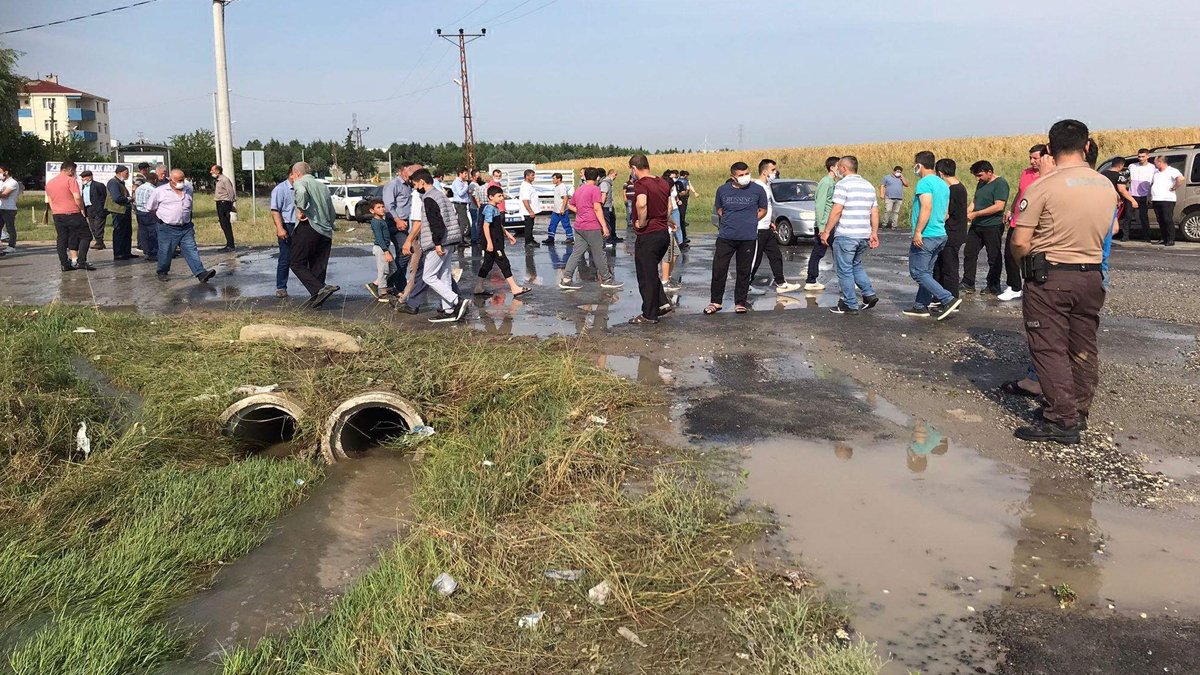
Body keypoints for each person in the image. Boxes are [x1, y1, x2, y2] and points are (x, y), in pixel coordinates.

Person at [1010, 119, 1115, 444]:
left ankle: (1061, 418)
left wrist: (1026, 265)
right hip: (1091, 275)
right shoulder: (1105, 185)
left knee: (1049, 346)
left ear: (1049, 148)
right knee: (1082, 345)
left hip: (1051, 275)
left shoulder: (1044, 186)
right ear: (1087, 146)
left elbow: (1020, 241)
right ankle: (1078, 412)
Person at [903, 151, 961, 320]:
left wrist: (918, 231)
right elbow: (945, 212)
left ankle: (947, 299)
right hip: (940, 234)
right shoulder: (943, 184)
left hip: (927, 235)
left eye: (914, 164)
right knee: (926, 272)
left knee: (918, 272)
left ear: (919, 165)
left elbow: (926, 206)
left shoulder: (924, 183)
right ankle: (920, 306)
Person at [705, 162, 768, 316]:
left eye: (746, 173)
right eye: (741, 175)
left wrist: (750, 221)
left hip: (748, 237)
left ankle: (740, 302)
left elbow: (763, 210)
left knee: (744, 270)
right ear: (733, 177)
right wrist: (731, 220)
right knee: (719, 269)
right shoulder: (722, 190)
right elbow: (719, 210)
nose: (745, 177)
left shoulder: (758, 190)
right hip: (726, 236)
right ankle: (715, 302)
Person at [821, 156, 879, 314]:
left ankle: (850, 304)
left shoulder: (842, 185)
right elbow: (874, 211)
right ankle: (869, 294)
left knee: (844, 270)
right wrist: (874, 233)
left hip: (846, 234)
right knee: (856, 265)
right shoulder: (868, 185)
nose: (838, 170)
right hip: (863, 234)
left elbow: (837, 210)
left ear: (844, 168)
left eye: (839, 167)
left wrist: (827, 231)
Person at [410, 168, 469, 323]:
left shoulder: (429, 198)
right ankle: (449, 310)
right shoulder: (440, 195)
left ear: (422, 182)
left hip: (439, 242)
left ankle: (456, 300)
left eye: (415, 185)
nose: (415, 188)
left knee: (428, 276)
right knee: (444, 276)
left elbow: (436, 223)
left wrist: (437, 243)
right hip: (449, 240)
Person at [146, 169, 216, 284]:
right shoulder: (160, 191)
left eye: (183, 179)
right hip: (167, 227)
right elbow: (150, 208)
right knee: (166, 251)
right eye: (179, 180)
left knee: (191, 249)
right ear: (171, 180)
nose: (182, 182)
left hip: (186, 227)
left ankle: (200, 273)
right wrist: (160, 221)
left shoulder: (188, 190)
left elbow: (190, 207)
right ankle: (162, 271)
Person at [628, 154, 672, 324]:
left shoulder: (641, 184)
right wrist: (664, 219)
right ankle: (661, 303)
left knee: (645, 276)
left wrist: (641, 222)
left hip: (648, 235)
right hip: (663, 233)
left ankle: (649, 314)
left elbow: (641, 204)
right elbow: (669, 206)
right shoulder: (662, 182)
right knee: (651, 271)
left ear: (634, 168)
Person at [289, 162, 340, 308]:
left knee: (296, 262)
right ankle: (317, 298)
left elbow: (301, 192)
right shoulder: (323, 186)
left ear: (297, 173)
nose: (292, 178)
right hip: (325, 230)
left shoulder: (300, 182)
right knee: (318, 265)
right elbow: (331, 211)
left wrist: (300, 209)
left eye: (293, 175)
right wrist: (330, 224)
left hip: (309, 226)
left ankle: (319, 289)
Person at [561, 167, 621, 290]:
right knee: (599, 253)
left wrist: (581, 211)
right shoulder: (595, 189)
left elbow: (570, 205)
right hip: (592, 226)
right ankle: (606, 279)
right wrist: (604, 226)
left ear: (585, 176)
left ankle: (566, 278)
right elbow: (597, 208)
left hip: (579, 226)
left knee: (577, 253)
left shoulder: (579, 189)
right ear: (597, 177)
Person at [750, 159, 801, 294]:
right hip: (758, 230)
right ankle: (746, 285)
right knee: (755, 259)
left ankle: (780, 283)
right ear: (764, 171)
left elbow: (767, 207)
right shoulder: (757, 187)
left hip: (767, 229)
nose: (775, 172)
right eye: (772, 170)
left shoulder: (766, 186)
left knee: (776, 256)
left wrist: (770, 222)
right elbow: (755, 208)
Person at [960, 160, 1010, 297]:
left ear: (990, 172)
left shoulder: (1000, 184)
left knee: (993, 256)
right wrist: (967, 212)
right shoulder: (981, 183)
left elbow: (999, 206)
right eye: (976, 176)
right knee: (969, 252)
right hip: (977, 225)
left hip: (992, 225)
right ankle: (968, 282)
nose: (978, 179)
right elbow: (975, 201)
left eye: (980, 175)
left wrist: (976, 214)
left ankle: (993, 285)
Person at [1005, 145, 1048, 301]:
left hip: (1034, 221)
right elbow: (1020, 192)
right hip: (1017, 219)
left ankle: (1034, 287)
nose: (1032, 161)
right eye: (1030, 158)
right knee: (1010, 253)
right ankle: (1014, 286)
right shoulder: (1025, 172)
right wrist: (1011, 210)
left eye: (1035, 158)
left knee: (1033, 255)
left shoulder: (1048, 176)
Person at [474, 185, 532, 298]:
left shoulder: (495, 208)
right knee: (504, 263)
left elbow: (498, 225)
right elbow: (486, 226)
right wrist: (489, 243)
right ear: (491, 197)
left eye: (502, 195)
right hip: (494, 242)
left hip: (496, 240)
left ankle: (478, 287)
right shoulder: (489, 209)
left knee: (487, 264)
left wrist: (508, 234)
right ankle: (514, 288)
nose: (502, 198)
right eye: (499, 196)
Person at [46, 161, 92, 272]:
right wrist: (82, 209)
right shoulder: (70, 180)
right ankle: (81, 261)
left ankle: (64, 264)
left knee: (62, 239)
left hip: (57, 214)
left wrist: (55, 211)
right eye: (74, 171)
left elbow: (50, 200)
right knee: (86, 236)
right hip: (73, 213)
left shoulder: (50, 183)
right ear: (71, 170)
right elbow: (77, 197)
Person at [934, 158, 967, 300]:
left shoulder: (953, 190)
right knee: (940, 265)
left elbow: (945, 213)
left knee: (949, 267)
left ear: (940, 173)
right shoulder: (960, 187)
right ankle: (939, 296)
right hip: (955, 232)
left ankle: (951, 298)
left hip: (952, 233)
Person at [382, 162, 418, 295]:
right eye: (410, 172)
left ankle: (397, 284)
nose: (411, 176)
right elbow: (388, 205)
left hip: (407, 224)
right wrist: (397, 220)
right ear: (403, 171)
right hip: (395, 223)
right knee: (405, 252)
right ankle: (391, 283)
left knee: (405, 253)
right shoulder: (394, 184)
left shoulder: (409, 186)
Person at [805, 156, 840, 291]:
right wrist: (821, 227)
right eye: (838, 166)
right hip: (825, 225)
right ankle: (811, 280)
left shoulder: (832, 182)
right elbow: (820, 205)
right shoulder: (826, 182)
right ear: (832, 168)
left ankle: (811, 279)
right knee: (821, 252)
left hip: (829, 223)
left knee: (823, 251)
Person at [269, 173, 296, 298]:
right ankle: (281, 287)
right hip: (287, 225)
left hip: (301, 225)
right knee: (285, 257)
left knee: (305, 257)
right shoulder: (280, 189)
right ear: (292, 174)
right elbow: (275, 210)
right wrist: (280, 228)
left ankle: (315, 287)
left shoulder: (302, 188)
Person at [364, 199, 396, 302]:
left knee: (393, 268)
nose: (382, 209)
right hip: (381, 248)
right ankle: (383, 293)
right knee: (383, 270)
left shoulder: (382, 220)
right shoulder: (376, 222)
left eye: (382, 206)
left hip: (385, 248)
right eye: (378, 207)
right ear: (372, 210)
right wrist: (386, 252)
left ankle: (375, 284)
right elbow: (379, 238)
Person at [1101, 156, 1137, 242]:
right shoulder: (1120, 176)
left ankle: (1103, 240)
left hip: (1101, 201)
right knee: (1114, 228)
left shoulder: (1102, 174)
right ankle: (1103, 241)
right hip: (1112, 203)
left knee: (1106, 224)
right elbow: (1122, 190)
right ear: (1121, 166)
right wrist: (1133, 200)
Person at [1150, 155, 1184, 246]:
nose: (1155, 164)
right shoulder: (1156, 172)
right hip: (1156, 198)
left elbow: (1181, 178)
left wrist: (1174, 187)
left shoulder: (1172, 170)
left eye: (1155, 162)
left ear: (1160, 162)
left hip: (1167, 199)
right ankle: (1163, 238)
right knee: (1160, 220)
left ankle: (1170, 239)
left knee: (1167, 219)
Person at [106, 166, 136, 260]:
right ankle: (118, 253)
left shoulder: (120, 182)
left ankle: (126, 252)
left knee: (127, 232)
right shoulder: (113, 182)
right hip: (118, 210)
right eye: (126, 173)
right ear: (120, 172)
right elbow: (116, 197)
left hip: (124, 210)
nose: (128, 175)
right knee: (119, 232)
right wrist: (128, 199)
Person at [1127, 148, 1155, 240]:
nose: (1141, 158)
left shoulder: (1152, 168)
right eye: (1139, 156)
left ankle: (1147, 236)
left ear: (1147, 157)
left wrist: (1149, 196)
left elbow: (1153, 182)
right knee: (1128, 216)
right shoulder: (1132, 166)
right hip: (1132, 195)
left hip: (1144, 195)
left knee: (1143, 217)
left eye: (1143, 157)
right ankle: (1125, 236)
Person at [211, 165, 237, 251]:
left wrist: (231, 205)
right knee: (223, 224)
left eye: (212, 170)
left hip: (224, 203)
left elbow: (231, 192)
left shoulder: (224, 180)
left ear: (218, 171)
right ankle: (228, 244)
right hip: (220, 203)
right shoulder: (218, 180)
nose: (211, 172)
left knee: (226, 224)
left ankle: (231, 245)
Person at [81, 170, 108, 250]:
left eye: (84, 177)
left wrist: (103, 209)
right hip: (89, 208)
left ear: (90, 177)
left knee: (98, 226)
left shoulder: (98, 185)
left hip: (98, 209)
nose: (83, 179)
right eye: (82, 177)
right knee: (92, 226)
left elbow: (104, 197)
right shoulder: (84, 186)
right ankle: (99, 241)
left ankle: (99, 242)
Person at [544, 172, 573, 244]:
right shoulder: (557, 186)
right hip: (556, 210)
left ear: (559, 179)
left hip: (561, 210)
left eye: (554, 178)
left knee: (566, 224)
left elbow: (565, 198)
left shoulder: (562, 187)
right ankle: (550, 238)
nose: (552, 180)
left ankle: (570, 238)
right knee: (552, 224)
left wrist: (563, 208)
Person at [133, 174, 157, 262]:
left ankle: (146, 251)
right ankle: (153, 252)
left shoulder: (139, 188)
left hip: (139, 212)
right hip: (149, 212)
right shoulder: (153, 190)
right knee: (152, 233)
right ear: (154, 180)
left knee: (143, 232)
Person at [0, 164, 22, 253]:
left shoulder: (13, 182)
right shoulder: (1, 182)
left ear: (6, 172)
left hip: (9, 209)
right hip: (1, 207)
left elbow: (5, 195)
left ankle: (11, 246)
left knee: (10, 228)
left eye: (0, 172)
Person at [450, 167, 473, 247]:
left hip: (462, 204)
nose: (466, 175)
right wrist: (466, 186)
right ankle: (461, 240)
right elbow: (460, 193)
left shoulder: (462, 182)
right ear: (460, 173)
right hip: (460, 204)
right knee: (464, 222)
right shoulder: (457, 182)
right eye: (465, 173)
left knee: (462, 222)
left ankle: (461, 240)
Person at [598, 168, 622, 245]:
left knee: (612, 221)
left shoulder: (609, 182)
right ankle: (608, 238)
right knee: (607, 222)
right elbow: (603, 195)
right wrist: (601, 205)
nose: (616, 177)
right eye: (615, 175)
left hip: (610, 205)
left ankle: (613, 236)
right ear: (611, 174)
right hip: (606, 206)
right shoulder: (605, 183)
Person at [518, 168, 541, 248]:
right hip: (527, 212)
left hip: (530, 211)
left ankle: (531, 239)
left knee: (531, 226)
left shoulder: (529, 185)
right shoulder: (525, 186)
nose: (534, 177)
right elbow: (525, 200)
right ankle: (528, 242)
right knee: (528, 227)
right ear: (527, 176)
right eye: (532, 175)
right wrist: (530, 211)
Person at [676, 170, 696, 245]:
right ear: (685, 175)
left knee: (678, 216)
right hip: (684, 199)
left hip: (677, 200)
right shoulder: (685, 181)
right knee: (682, 218)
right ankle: (683, 237)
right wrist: (687, 192)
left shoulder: (676, 181)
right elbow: (687, 189)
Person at [470, 170, 487, 246]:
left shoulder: (477, 184)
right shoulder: (472, 185)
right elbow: (474, 197)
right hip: (474, 207)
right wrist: (478, 205)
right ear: (473, 177)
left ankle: (477, 237)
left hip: (476, 206)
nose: (479, 177)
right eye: (478, 175)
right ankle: (475, 238)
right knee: (476, 223)